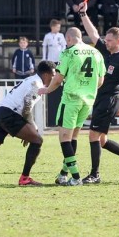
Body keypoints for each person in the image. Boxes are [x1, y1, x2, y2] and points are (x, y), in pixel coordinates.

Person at [78, 7, 119, 184]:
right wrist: (83, 15)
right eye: (105, 39)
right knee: (102, 140)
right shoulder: (106, 51)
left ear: (118, 41)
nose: (104, 42)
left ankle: (95, 174)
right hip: (100, 99)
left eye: (108, 40)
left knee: (93, 136)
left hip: (110, 100)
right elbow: (92, 33)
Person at [38, 19, 106, 186]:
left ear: (68, 39)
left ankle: (75, 177)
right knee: (73, 136)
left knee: (64, 137)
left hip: (71, 99)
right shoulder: (96, 53)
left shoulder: (68, 53)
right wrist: (87, 88)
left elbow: (58, 77)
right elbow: (100, 80)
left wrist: (47, 90)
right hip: (87, 100)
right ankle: (63, 174)